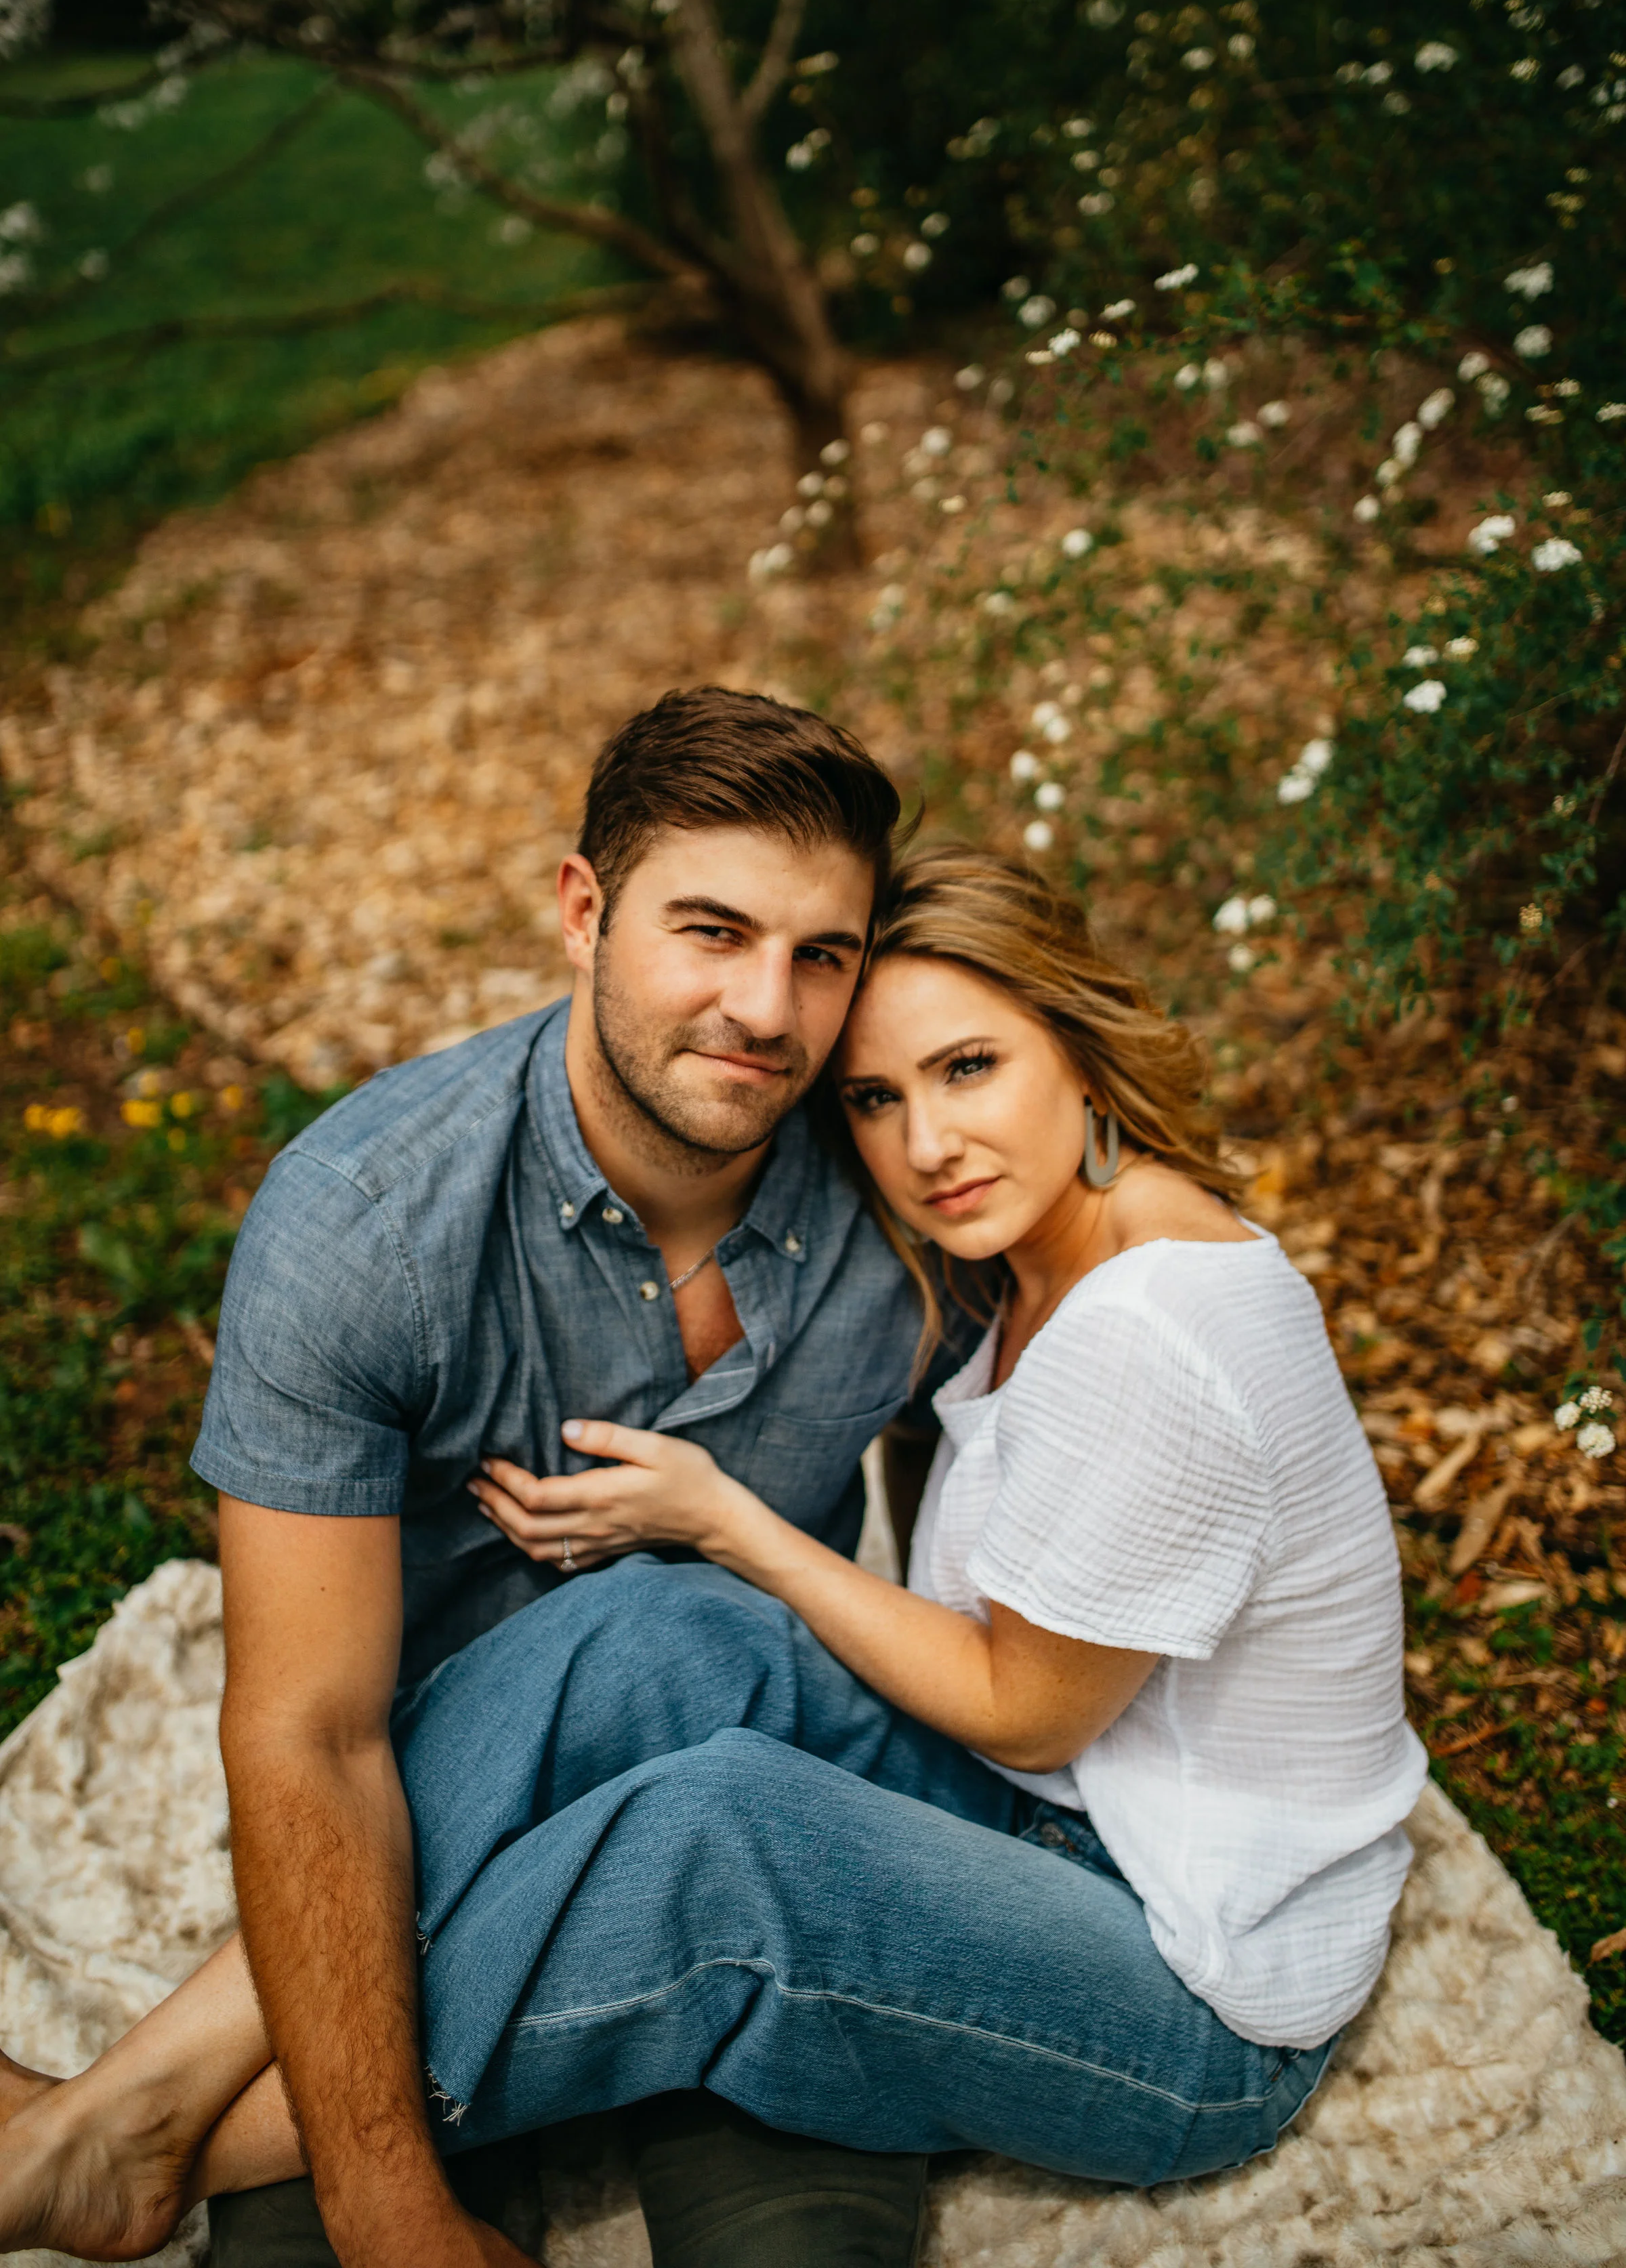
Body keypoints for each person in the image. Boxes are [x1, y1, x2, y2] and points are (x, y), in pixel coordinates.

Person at [0, 842, 1427, 2245]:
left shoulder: (1155, 1333)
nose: (928, 1147)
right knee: (644, 1631)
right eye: (875, 1097)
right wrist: (706, 1556)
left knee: (719, 1836)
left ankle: (160, 2154)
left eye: (970, 1067)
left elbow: (1027, 1707)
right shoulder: (1041, 1253)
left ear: (1080, 1045)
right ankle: (126, 2101)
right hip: (1049, 1814)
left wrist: (729, 1520)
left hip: (1185, 1981)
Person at [0, 690, 974, 2268]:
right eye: (711, 932)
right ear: (583, 913)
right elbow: (310, 1734)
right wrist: (385, 2200)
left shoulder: (913, 1180)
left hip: (764, 1822)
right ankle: (149, 2131)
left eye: (822, 955)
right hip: (418, 1857)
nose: (765, 1009)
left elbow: (1004, 1387)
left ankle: (122, 2113)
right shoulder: (366, 1226)